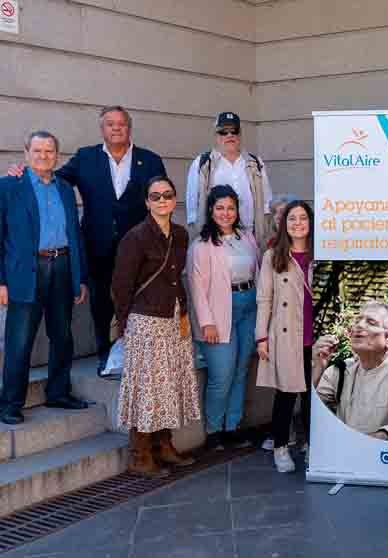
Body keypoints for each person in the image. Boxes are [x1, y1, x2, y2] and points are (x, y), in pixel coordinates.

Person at [7, 107, 168, 374]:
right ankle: (105, 355)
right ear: (101, 129)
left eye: (121, 124)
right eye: (110, 124)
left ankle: (141, 355)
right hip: (98, 246)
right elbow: (52, 177)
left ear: (130, 128)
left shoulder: (149, 161)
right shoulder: (86, 157)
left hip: (140, 247)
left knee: (142, 301)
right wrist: (24, 172)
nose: (116, 128)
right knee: (102, 303)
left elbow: (162, 199)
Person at [111, 176, 199, 477]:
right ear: (147, 202)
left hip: (174, 317)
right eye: (155, 196)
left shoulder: (180, 235)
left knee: (168, 384)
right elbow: (121, 285)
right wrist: (124, 323)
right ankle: (140, 454)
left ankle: (164, 445)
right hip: (144, 320)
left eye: (167, 195)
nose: (162, 200)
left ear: (174, 200)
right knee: (146, 388)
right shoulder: (135, 238)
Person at [0, 131, 89, 425]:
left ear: (57, 156)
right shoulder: (9, 187)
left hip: (62, 266)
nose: (43, 156)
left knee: (62, 336)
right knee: (19, 341)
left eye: (49, 151)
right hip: (26, 272)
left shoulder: (64, 189)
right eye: (37, 151)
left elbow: (75, 235)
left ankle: (58, 392)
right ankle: (10, 404)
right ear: (26, 153)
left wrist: (80, 277)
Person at [188, 185, 259, 451]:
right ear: (210, 210)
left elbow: (259, 270)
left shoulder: (247, 237)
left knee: (241, 371)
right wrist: (206, 322)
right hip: (219, 312)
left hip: (248, 307)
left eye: (231, 207)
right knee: (223, 374)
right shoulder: (202, 245)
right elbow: (196, 287)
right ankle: (215, 430)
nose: (226, 213)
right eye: (220, 208)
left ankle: (233, 426)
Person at [256, 200, 315, 473]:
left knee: (314, 398)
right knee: (286, 395)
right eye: (292, 218)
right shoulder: (273, 256)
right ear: (284, 223)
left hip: (315, 337)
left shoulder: (321, 253)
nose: (298, 223)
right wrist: (261, 337)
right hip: (285, 334)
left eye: (303, 218)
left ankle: (313, 445)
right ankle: (281, 447)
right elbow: (264, 299)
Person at [312, 301, 388, 441]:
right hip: (341, 457)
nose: (359, 326)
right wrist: (318, 367)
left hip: (383, 459)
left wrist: (366, 443)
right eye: (358, 321)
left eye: (371, 322)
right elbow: (310, 415)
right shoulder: (340, 370)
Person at [186, 112, 273, 249]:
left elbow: (266, 203)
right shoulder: (202, 163)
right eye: (223, 132)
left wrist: (263, 234)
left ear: (240, 134)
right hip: (214, 239)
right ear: (216, 135)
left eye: (234, 131)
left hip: (250, 237)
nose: (229, 135)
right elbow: (192, 208)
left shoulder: (255, 163)